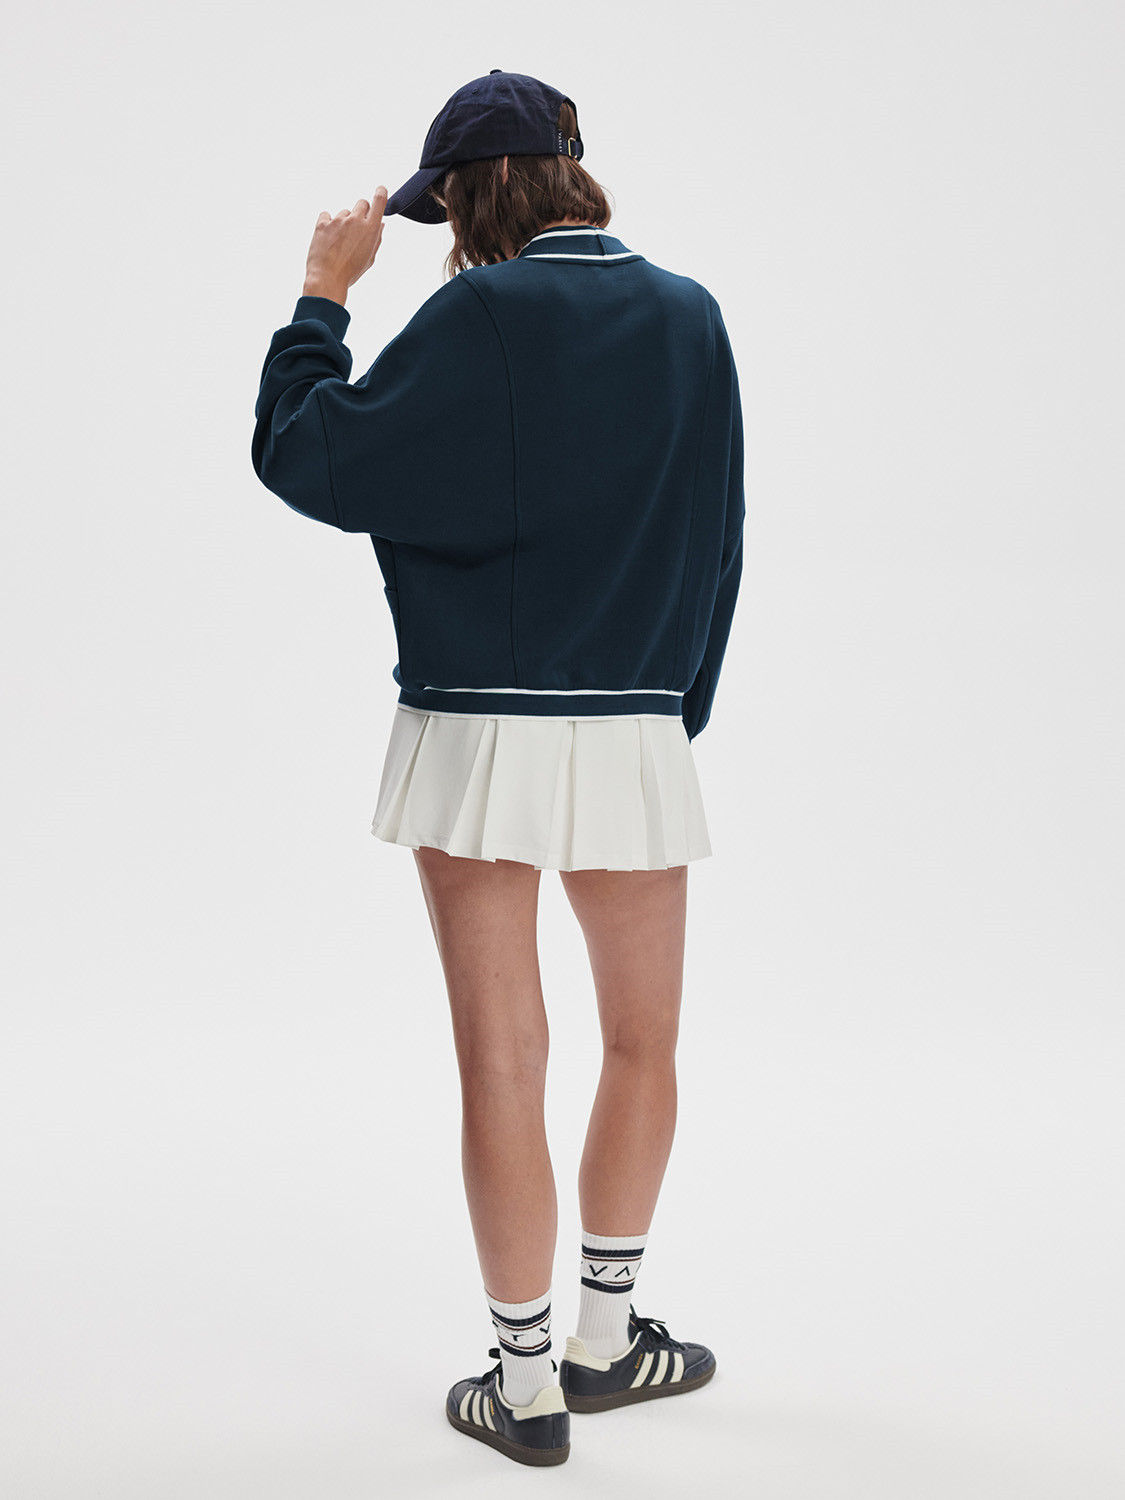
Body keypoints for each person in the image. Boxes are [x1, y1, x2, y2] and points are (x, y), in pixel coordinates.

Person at [251, 68, 744, 1468]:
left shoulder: (474, 315)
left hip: (474, 726)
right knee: (642, 1040)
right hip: (634, 719)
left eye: (448, 207)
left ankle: (524, 1389)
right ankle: (606, 1342)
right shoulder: (692, 316)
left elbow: (310, 459)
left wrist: (322, 295)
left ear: (481, 193)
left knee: (502, 1057)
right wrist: (669, 714)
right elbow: (720, 535)